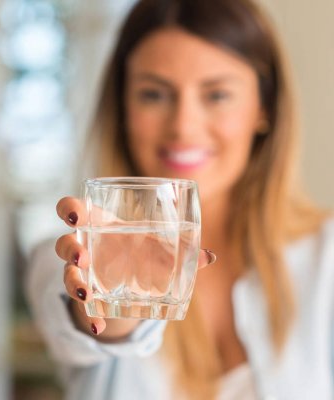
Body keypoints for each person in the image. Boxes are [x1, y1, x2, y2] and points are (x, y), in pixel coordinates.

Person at [25, 0, 332, 399]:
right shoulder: (70, 254)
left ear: (265, 107)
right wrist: (110, 295)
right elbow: (81, 319)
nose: (183, 126)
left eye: (217, 95)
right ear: (123, 109)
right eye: (154, 94)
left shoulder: (326, 257)